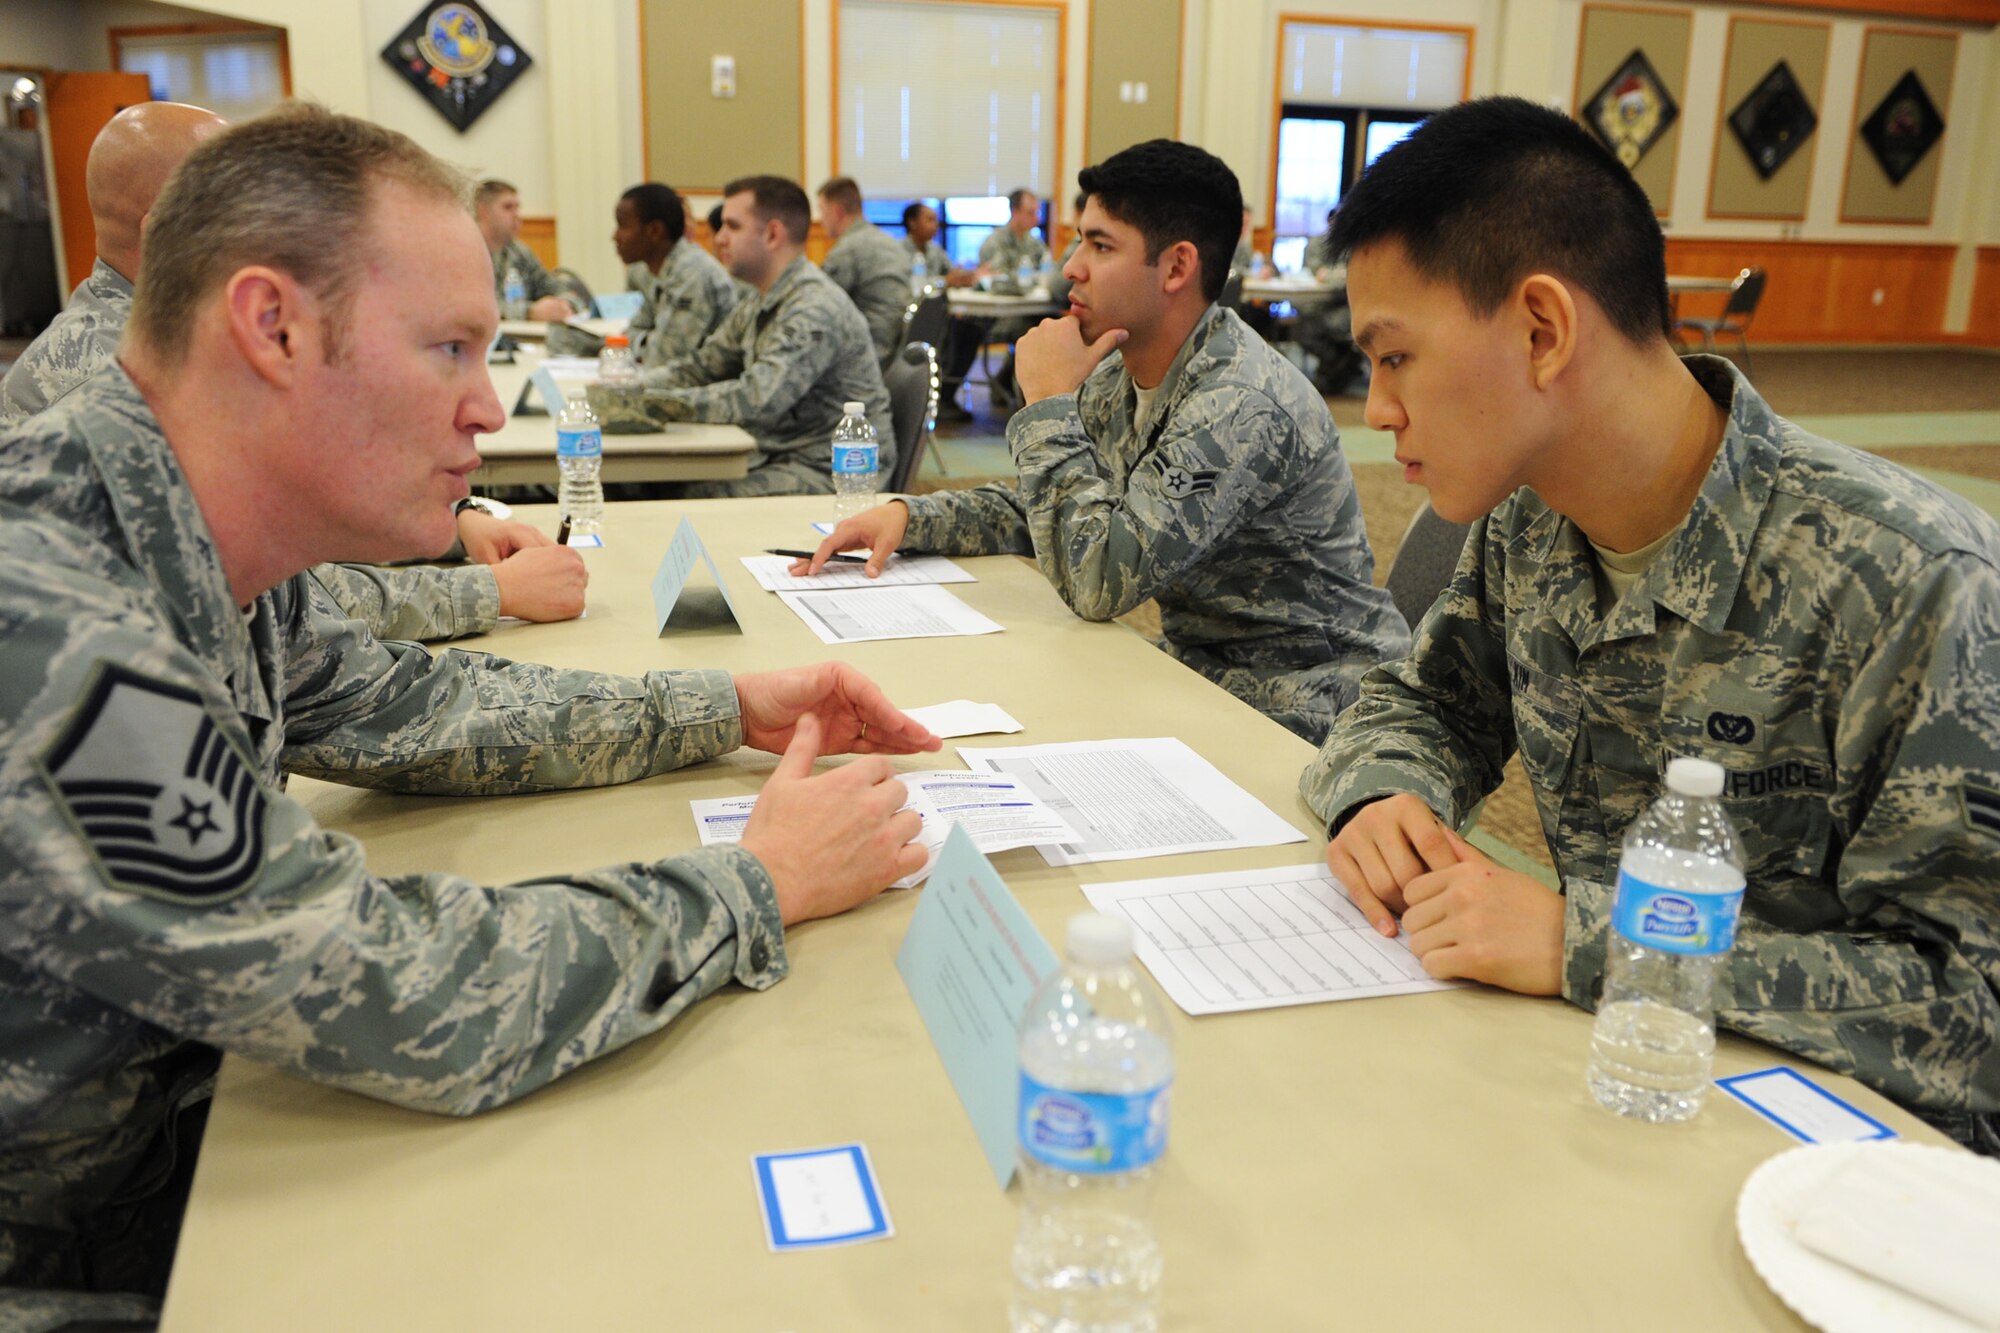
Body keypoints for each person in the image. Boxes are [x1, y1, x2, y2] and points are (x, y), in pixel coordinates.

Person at [0, 105, 942, 1322]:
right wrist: (755, 884)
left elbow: (411, 703)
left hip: (152, 1185)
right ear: (271, 326)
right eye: (447, 349)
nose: (487, 412)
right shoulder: (50, 616)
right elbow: (401, 990)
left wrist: (723, 705)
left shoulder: (190, 528)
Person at [1299, 97, 2000, 1153]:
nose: (1377, 409)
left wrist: (1594, 944)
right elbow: (1425, 699)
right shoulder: (1529, 516)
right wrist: (1381, 792)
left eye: (1393, 357)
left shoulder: (1912, 582)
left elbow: (1968, 1010)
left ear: (1541, 330)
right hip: (1611, 1091)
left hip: (1845, 1165)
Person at [799, 140, 1409, 744]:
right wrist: (909, 516)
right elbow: (1050, 508)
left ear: (1176, 267)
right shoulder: (1121, 369)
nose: (1071, 266)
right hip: (1206, 675)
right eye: (1079, 240)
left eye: (1099, 245)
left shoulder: (1240, 403)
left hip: (1310, 706)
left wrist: (1046, 404)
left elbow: (1096, 582)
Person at [0, 103, 583, 642]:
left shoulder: (175, 349)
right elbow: (303, 618)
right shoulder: (124, 384)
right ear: (169, 234)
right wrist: (492, 592)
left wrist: (458, 521)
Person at [586, 175, 893, 497]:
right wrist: (631, 387)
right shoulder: (761, 299)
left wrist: (652, 404)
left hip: (833, 470)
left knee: (681, 496)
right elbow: (703, 366)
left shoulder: (813, 308)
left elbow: (757, 400)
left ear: (773, 234)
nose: (718, 239)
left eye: (732, 227)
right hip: (782, 452)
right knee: (651, 484)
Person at [614, 181, 737, 369]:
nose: (615, 236)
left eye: (623, 226)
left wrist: (644, 344)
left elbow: (665, 358)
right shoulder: (662, 271)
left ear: (654, 230)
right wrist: (648, 342)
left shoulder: (693, 273)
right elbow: (631, 332)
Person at [816, 176, 915, 368]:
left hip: (868, 353)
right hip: (897, 349)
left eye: (822, 209)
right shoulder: (889, 241)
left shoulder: (847, 250)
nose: (820, 219)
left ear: (836, 211)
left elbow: (818, 304)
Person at [475, 178, 579, 322]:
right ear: (483, 212)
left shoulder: (519, 252)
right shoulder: (468, 253)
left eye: (517, 207)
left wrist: (564, 305)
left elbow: (555, 287)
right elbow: (476, 308)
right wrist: (529, 313)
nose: (516, 215)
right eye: (508, 207)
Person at [901, 202, 975, 288]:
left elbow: (951, 274)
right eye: (930, 220)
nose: (936, 225)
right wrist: (943, 282)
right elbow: (914, 285)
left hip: (938, 300)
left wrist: (963, 276)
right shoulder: (898, 251)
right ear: (912, 222)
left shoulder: (935, 249)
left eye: (936, 220)